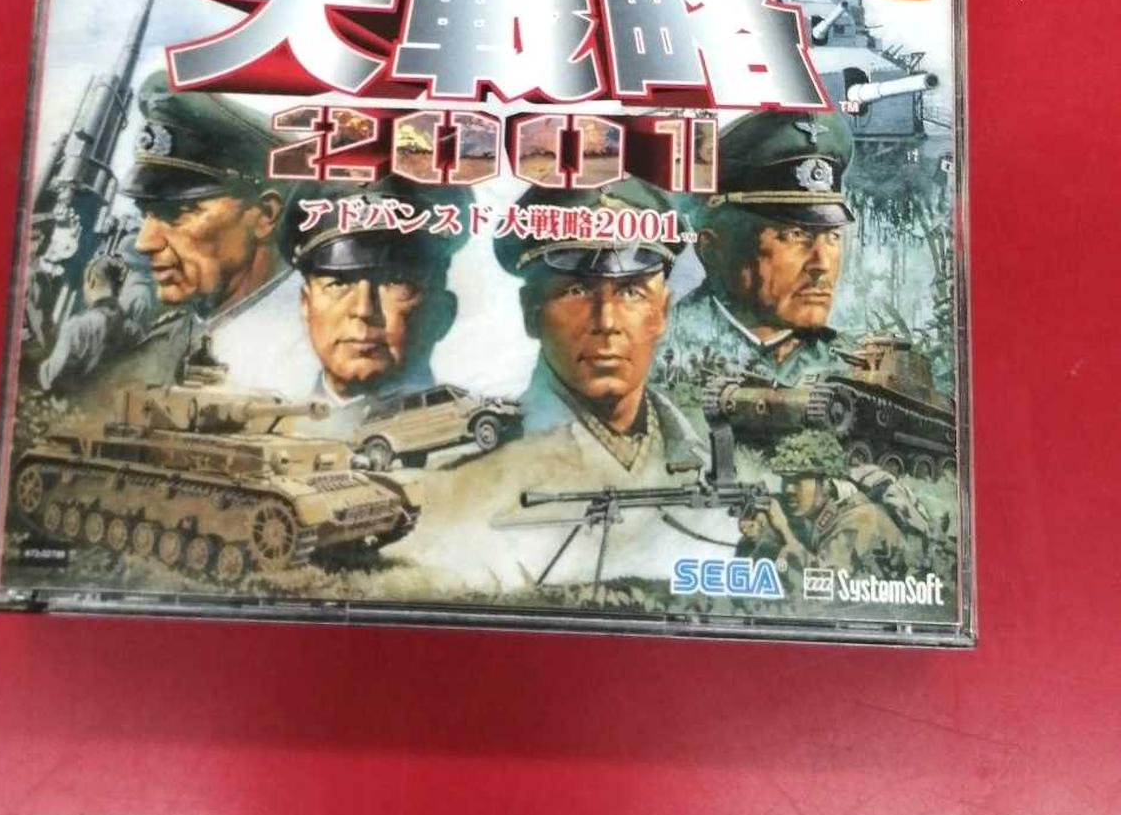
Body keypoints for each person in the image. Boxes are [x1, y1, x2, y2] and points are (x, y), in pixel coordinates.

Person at [411, 180, 722, 592]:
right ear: (531, 312)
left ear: (661, 311)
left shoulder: (709, 449)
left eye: (631, 291)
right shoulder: (478, 463)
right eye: (576, 290)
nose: (606, 321)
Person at [106, 72, 294, 387]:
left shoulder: (309, 358)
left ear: (264, 216)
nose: (144, 242)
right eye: (145, 212)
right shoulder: (172, 338)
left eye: (177, 213)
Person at [664, 110, 856, 386]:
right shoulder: (658, 351)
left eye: (833, 236)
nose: (821, 264)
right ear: (712, 250)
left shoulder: (847, 362)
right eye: (795, 235)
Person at [280, 178, 469, 434]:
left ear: (443, 314)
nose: (363, 309)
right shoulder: (278, 431)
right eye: (338, 283)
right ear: (305, 306)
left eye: (395, 281)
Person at [737, 431, 908, 579]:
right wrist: (759, 533)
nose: (788, 489)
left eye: (798, 480)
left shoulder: (861, 518)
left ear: (826, 483)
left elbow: (825, 582)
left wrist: (784, 530)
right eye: (786, 480)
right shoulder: (813, 513)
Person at [36, 255, 129, 394]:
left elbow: (53, 378)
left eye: (84, 282)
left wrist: (43, 369)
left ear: (91, 280)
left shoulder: (77, 326)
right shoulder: (130, 328)